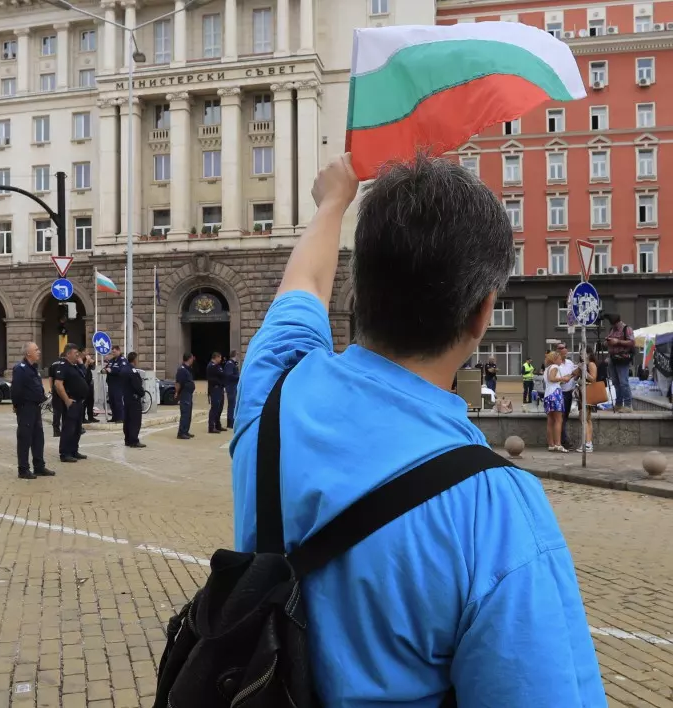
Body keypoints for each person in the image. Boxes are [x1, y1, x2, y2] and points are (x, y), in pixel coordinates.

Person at [231, 154, 605, 705]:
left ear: (360, 288)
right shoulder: (496, 508)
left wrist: (335, 200)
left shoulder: (274, 391)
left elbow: (303, 282)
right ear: (483, 313)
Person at [11, 342, 55, 480]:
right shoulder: (20, 369)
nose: (39, 351)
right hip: (26, 408)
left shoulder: (34, 368)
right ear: (28, 353)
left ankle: (39, 466)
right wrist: (16, 405)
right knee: (25, 439)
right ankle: (23, 469)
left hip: (36, 408)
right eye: (36, 349)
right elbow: (16, 389)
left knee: (38, 438)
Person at [54, 344, 88, 463]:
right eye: (75, 353)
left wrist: (80, 363)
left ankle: (74, 450)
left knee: (77, 428)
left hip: (79, 401)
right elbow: (58, 384)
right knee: (69, 428)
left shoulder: (74, 366)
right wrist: (67, 400)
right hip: (71, 402)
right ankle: (65, 453)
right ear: (68, 354)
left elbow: (85, 375)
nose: (77, 355)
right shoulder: (63, 366)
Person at [543, 350, 573, 453]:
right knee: (559, 420)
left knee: (550, 421)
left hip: (547, 394)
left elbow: (549, 379)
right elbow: (552, 378)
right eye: (560, 358)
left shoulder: (547, 368)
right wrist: (563, 379)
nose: (561, 360)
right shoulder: (555, 367)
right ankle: (558, 444)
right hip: (555, 394)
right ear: (555, 359)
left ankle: (551, 444)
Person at [605, 313, 635, 412]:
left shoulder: (627, 328)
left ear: (617, 322)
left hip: (622, 358)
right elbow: (609, 342)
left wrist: (617, 342)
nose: (613, 326)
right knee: (615, 382)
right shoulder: (611, 330)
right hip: (612, 358)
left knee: (623, 382)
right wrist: (607, 342)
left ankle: (628, 405)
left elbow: (632, 342)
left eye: (614, 325)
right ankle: (618, 404)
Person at [556, 343, 580, 449]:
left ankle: (562, 439)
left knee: (565, 417)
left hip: (569, 392)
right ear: (557, 350)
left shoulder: (570, 363)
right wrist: (567, 378)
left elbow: (574, 375)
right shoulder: (556, 365)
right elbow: (555, 380)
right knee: (560, 418)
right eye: (561, 348)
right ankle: (563, 440)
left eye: (565, 347)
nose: (564, 349)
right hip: (560, 393)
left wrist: (577, 373)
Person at [577, 346, 598, 454]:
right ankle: (587, 442)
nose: (581, 355)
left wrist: (584, 370)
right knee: (584, 418)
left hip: (588, 393)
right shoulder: (583, 365)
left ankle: (587, 443)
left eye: (583, 353)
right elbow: (574, 374)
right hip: (582, 393)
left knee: (585, 418)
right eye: (580, 353)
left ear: (589, 354)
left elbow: (593, 378)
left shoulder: (591, 364)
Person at [122, 352, 146, 448]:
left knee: (127, 420)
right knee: (135, 421)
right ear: (135, 359)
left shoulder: (124, 369)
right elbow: (137, 385)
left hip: (126, 398)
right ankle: (134, 440)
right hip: (134, 399)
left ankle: (127, 439)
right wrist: (142, 393)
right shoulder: (132, 371)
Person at [175, 353, 195, 440]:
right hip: (184, 394)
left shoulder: (188, 369)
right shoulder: (182, 370)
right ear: (189, 359)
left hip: (189, 394)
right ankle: (181, 432)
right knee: (185, 414)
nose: (193, 360)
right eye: (192, 358)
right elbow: (178, 382)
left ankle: (186, 431)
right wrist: (176, 392)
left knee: (189, 414)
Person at [103, 346, 126, 423]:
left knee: (118, 401)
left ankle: (121, 418)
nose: (113, 353)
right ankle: (114, 417)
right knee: (112, 401)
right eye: (112, 352)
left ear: (119, 351)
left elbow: (122, 370)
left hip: (118, 384)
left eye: (114, 352)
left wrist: (112, 370)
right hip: (111, 384)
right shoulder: (112, 360)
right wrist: (105, 369)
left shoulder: (122, 360)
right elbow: (107, 368)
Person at [206, 352, 225, 434]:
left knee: (220, 408)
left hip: (219, 389)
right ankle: (211, 426)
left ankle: (217, 425)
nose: (220, 359)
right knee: (215, 408)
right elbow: (222, 374)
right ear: (216, 357)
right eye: (219, 358)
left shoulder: (217, 366)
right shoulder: (212, 366)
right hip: (215, 389)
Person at [48, 353, 65, 438]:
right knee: (66, 410)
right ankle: (66, 429)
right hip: (65, 390)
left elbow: (50, 378)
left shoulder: (53, 364)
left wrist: (51, 389)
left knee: (56, 411)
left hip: (55, 390)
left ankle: (56, 430)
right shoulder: (66, 364)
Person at [223, 350, 241, 429]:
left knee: (233, 404)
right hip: (231, 386)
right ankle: (230, 422)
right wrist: (238, 377)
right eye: (237, 355)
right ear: (235, 355)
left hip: (234, 386)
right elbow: (229, 375)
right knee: (231, 405)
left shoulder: (233, 364)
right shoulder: (229, 364)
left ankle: (232, 420)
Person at [82, 352, 97, 423]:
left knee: (91, 401)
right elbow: (83, 370)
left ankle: (91, 417)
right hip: (84, 383)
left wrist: (93, 362)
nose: (87, 353)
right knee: (84, 401)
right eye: (85, 352)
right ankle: (82, 418)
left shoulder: (87, 359)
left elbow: (93, 368)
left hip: (90, 383)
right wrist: (87, 362)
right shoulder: (80, 360)